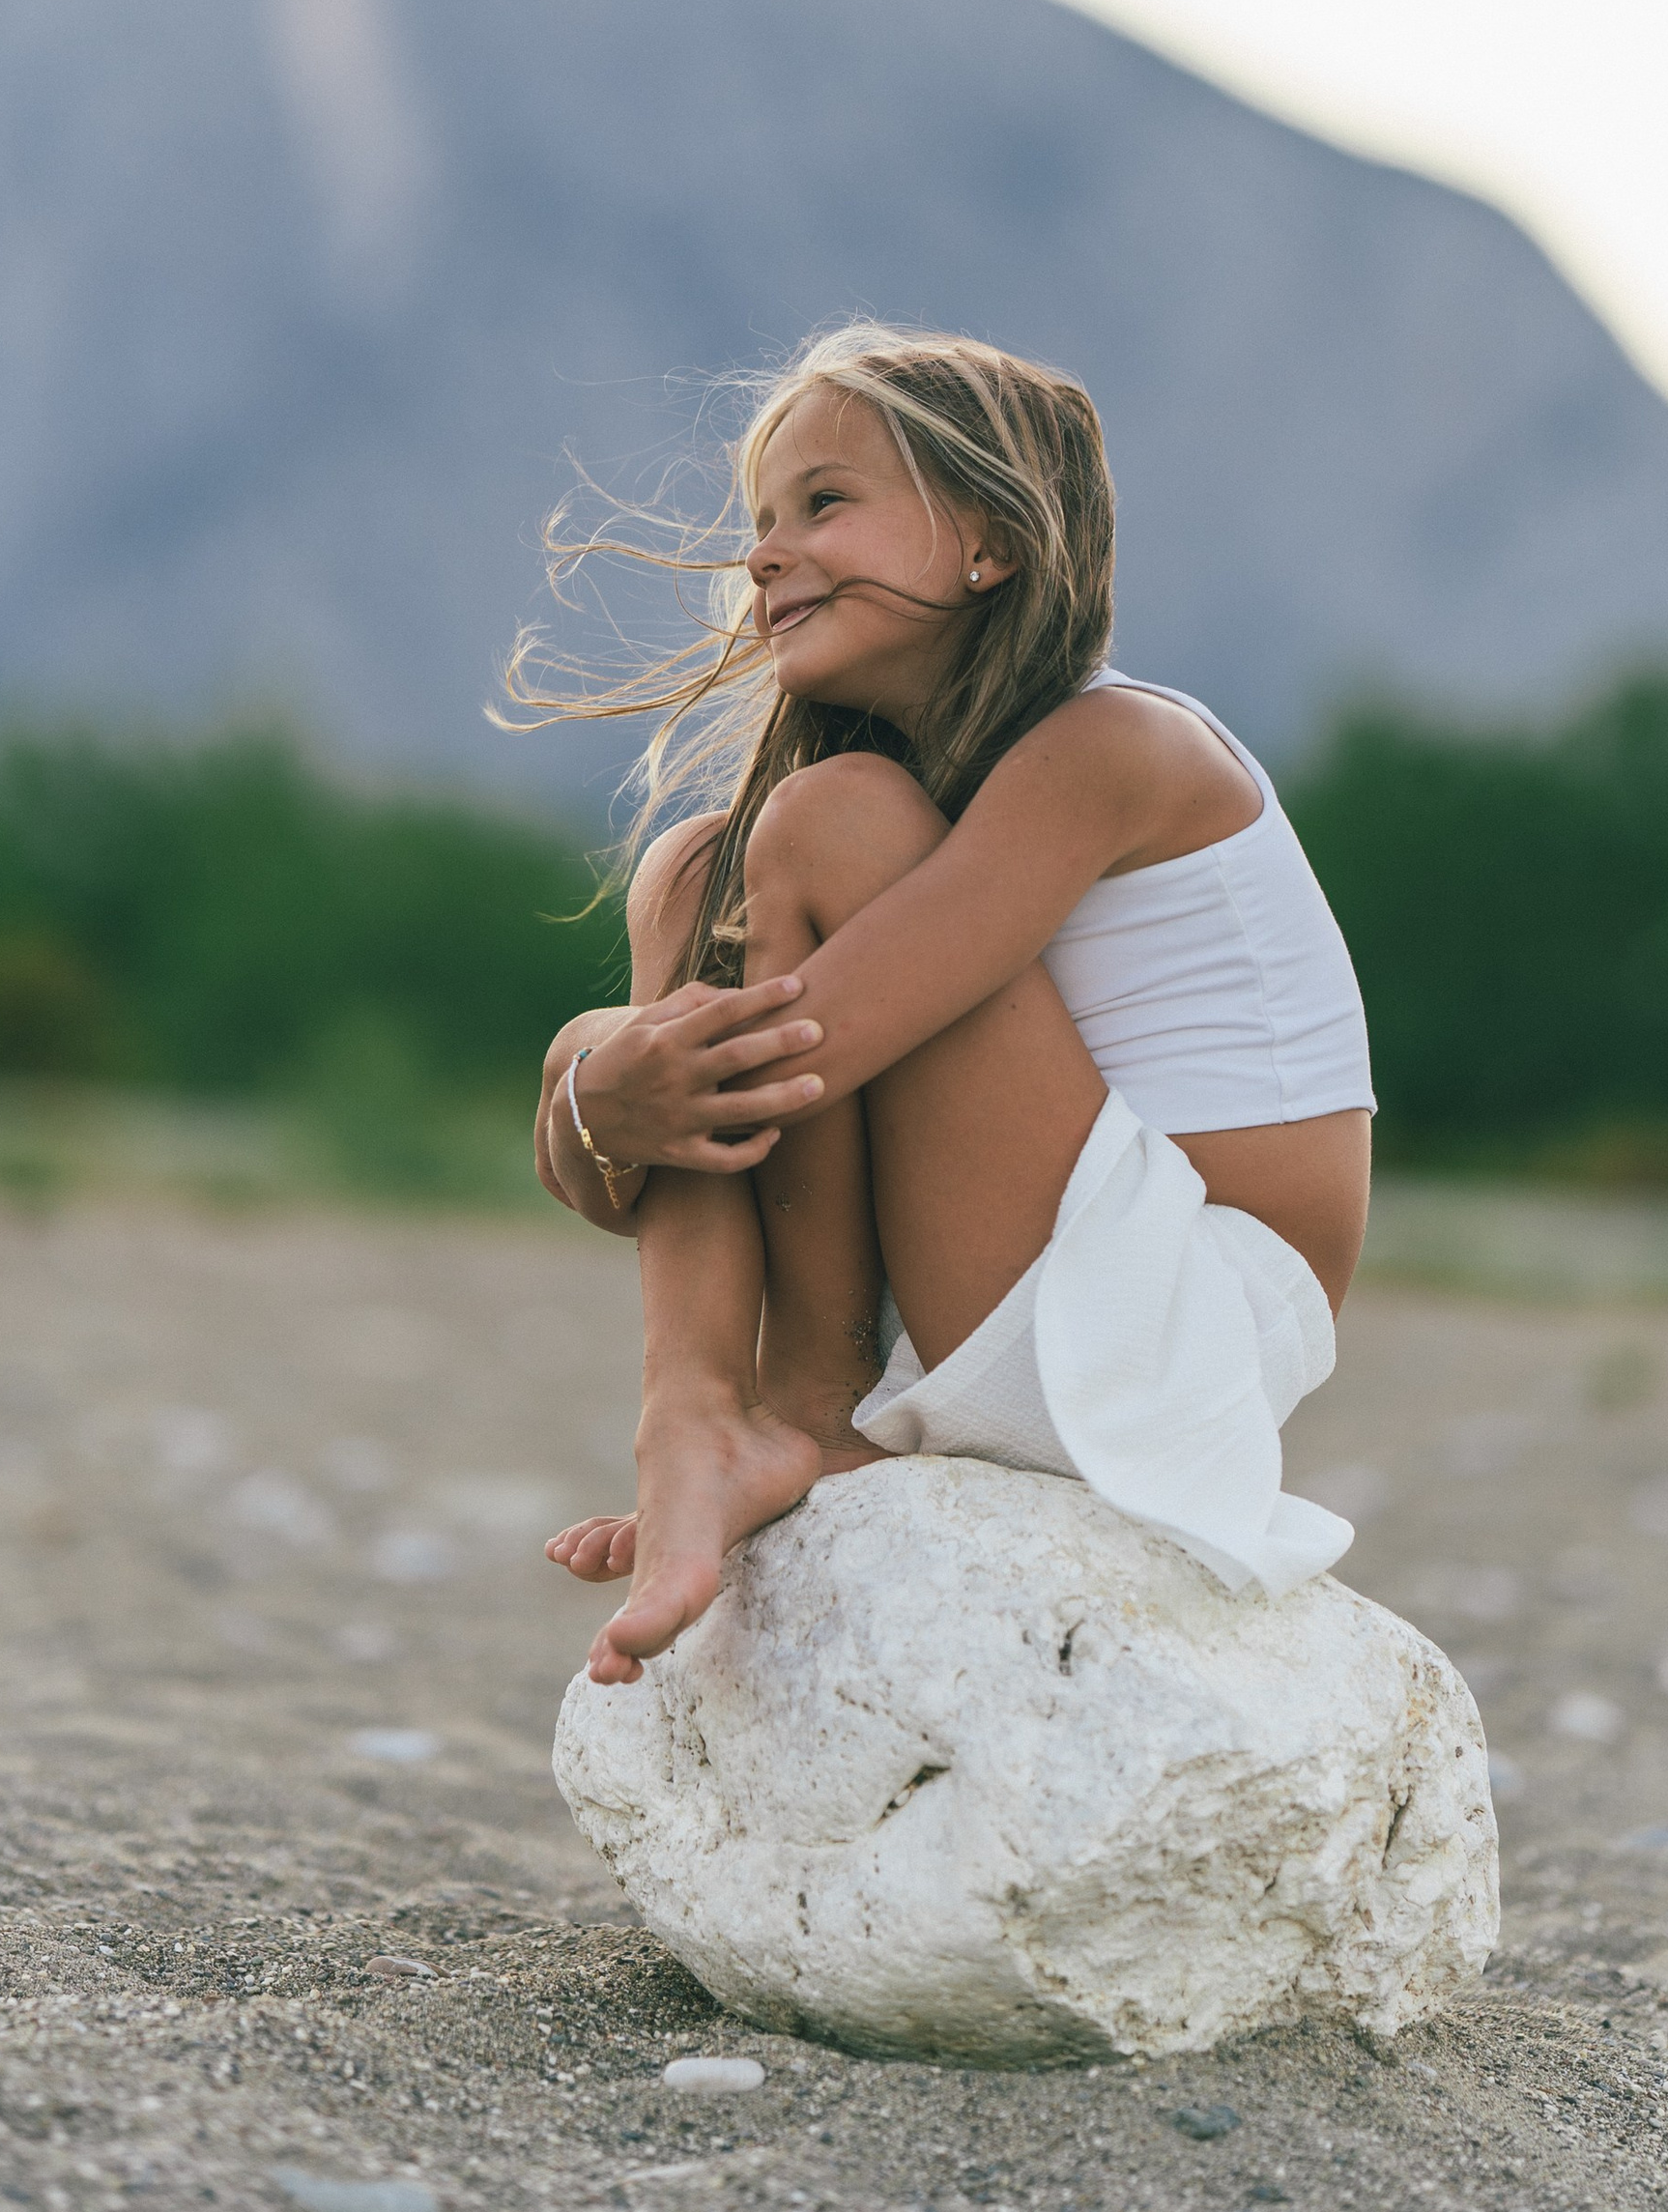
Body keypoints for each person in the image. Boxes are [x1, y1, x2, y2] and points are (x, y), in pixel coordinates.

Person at [503, 322, 1373, 1686]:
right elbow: (660, 1143)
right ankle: (697, 1423)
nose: (765, 554)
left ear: (989, 542)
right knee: (691, 872)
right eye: (762, 522)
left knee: (820, 829)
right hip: (1006, 1294)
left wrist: (593, 1086)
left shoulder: (1116, 747)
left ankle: (798, 1409)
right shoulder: (874, 819)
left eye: (825, 504)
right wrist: (595, 1086)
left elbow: (765, 1075)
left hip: (1178, 1331)